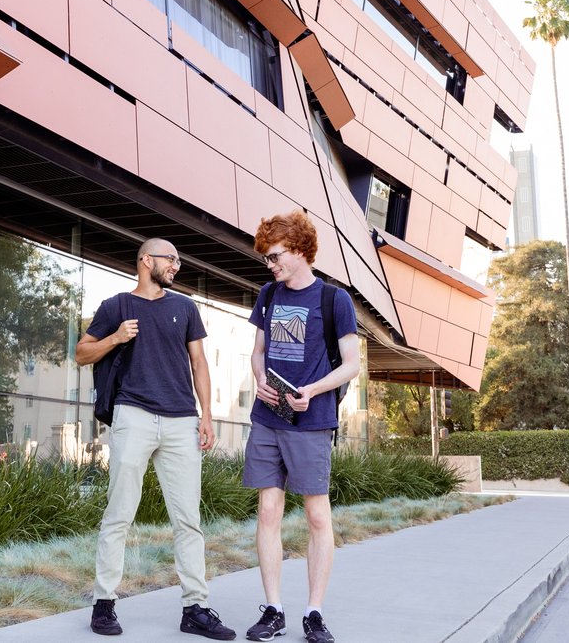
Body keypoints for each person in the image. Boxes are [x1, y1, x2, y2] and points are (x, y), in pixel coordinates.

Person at [75, 239, 236, 640]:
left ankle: (195, 608)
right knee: (120, 513)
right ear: (147, 261)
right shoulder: (116, 306)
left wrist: (208, 417)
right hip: (134, 415)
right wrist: (115, 338)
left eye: (179, 259)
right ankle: (104, 603)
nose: (177, 266)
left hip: (182, 421)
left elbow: (198, 362)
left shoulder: (185, 307)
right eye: (171, 258)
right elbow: (81, 353)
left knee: (188, 519)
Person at [242, 211, 359, 643]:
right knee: (268, 511)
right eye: (267, 260)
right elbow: (257, 351)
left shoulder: (334, 300)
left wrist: (313, 389)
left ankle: (314, 612)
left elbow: (352, 366)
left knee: (315, 516)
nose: (270, 266)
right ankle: (273, 610)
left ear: (297, 249)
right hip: (268, 418)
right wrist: (259, 379)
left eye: (274, 257)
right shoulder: (269, 294)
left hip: (311, 421)